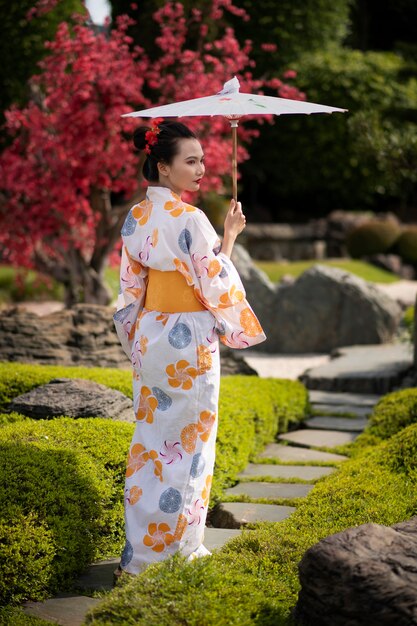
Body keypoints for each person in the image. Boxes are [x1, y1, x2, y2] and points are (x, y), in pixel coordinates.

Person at [113, 119, 266, 578]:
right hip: (189, 342)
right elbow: (213, 282)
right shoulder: (190, 218)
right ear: (163, 166)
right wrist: (230, 236)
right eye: (191, 161)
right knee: (190, 443)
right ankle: (175, 554)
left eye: (202, 159)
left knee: (151, 443)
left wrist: (139, 336)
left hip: (153, 335)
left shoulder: (137, 216)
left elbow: (130, 287)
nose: (202, 169)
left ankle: (138, 555)